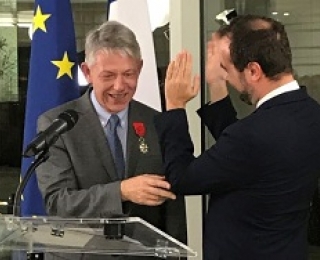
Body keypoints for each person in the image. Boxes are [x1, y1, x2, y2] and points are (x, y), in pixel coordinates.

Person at [154, 14, 320, 260]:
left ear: (254, 70)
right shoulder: (311, 113)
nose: (227, 77)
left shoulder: (252, 135)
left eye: (226, 67)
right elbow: (246, 160)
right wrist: (217, 86)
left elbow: (182, 178)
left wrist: (175, 106)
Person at [35, 20, 187, 258]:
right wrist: (121, 192)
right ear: (87, 72)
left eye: (128, 74)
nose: (119, 86)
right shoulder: (58, 125)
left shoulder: (157, 123)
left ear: (140, 68)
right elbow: (58, 204)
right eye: (108, 75)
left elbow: (174, 208)